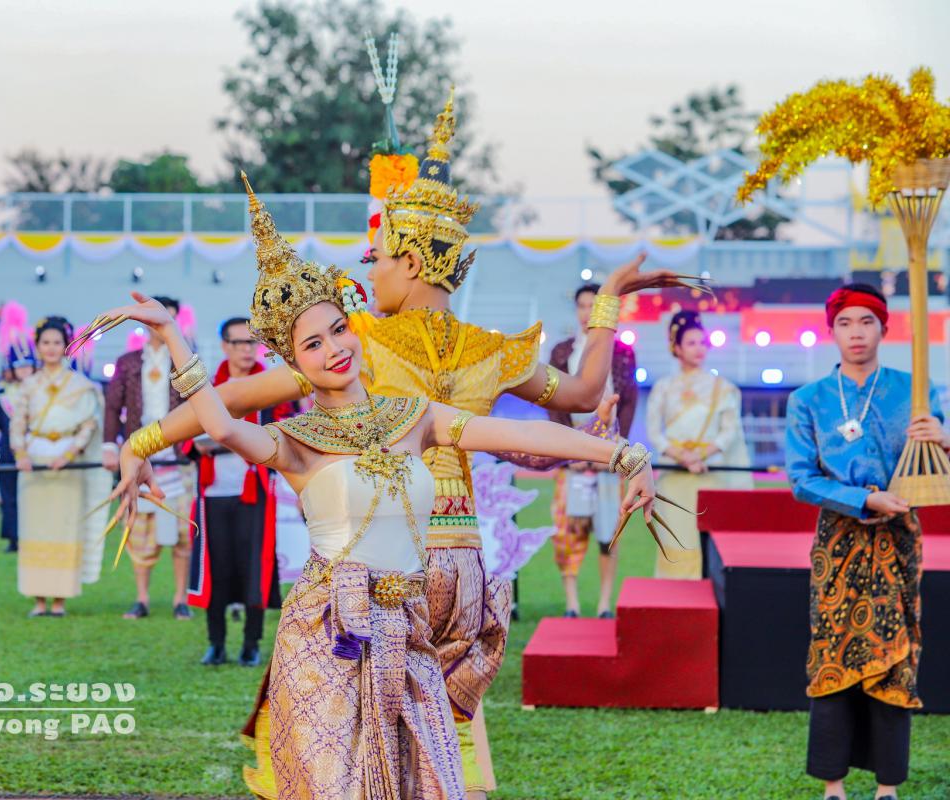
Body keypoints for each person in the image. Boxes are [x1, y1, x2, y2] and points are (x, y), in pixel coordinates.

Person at [106, 91, 687, 799]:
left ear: (409, 262)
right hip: (452, 569)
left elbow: (227, 406)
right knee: (407, 750)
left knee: (382, 755)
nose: (367, 274)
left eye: (376, 258)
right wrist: (611, 302)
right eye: (316, 341)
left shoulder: (381, 369)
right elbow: (585, 394)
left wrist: (143, 440)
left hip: (399, 581)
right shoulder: (480, 353)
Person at [786, 284, 947, 800]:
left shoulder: (918, 391)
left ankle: (887, 786)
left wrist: (944, 439)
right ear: (831, 331)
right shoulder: (807, 400)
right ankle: (833, 784)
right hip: (838, 539)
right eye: (845, 323)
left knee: (897, 651)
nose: (856, 333)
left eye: (866, 322)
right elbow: (801, 479)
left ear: (884, 328)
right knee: (832, 649)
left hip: (899, 538)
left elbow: (939, 463)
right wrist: (862, 499)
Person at [187, 316, 293, 665]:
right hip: (213, 491)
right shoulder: (206, 387)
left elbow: (283, 432)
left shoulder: (272, 387)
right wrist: (231, 440)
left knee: (253, 568)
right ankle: (215, 642)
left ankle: (251, 643)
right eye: (239, 342)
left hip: (255, 490)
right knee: (215, 569)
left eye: (252, 342)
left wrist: (226, 440)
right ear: (225, 346)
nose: (247, 349)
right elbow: (188, 436)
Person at [548, 283, 639, 617]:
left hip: (607, 456)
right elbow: (553, 403)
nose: (588, 313)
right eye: (583, 306)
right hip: (571, 454)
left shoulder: (622, 353)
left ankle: (604, 603)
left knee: (609, 531)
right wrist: (567, 451)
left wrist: (614, 451)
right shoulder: (562, 352)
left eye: (594, 307)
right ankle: (572, 603)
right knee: (566, 530)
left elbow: (628, 402)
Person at [102, 299, 196, 621]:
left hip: (178, 458)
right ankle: (141, 598)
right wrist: (109, 446)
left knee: (182, 533)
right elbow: (112, 406)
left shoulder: (185, 360)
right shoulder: (128, 362)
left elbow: (199, 402)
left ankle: (180, 599)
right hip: (139, 457)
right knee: (138, 531)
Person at [8, 316, 105, 617]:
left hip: (68, 463)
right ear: (38, 347)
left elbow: (90, 423)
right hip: (35, 461)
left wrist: (71, 453)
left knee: (66, 527)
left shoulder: (81, 385)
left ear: (66, 346)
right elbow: (18, 422)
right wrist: (20, 454)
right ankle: (39, 600)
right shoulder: (27, 385)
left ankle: (60, 600)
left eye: (57, 342)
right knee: (34, 528)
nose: (51, 348)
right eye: (46, 343)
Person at [645, 310, 752, 579]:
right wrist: (682, 457)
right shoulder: (663, 387)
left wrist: (700, 455)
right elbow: (654, 433)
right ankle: (673, 597)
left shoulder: (722, 388)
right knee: (675, 538)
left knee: (709, 541)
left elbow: (728, 432)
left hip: (710, 474)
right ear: (677, 348)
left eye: (703, 342)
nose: (699, 348)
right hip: (673, 476)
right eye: (691, 343)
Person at [0, 302, 36, 553]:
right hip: (8, 450)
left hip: (35, 450)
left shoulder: (41, 392)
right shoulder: (2, 395)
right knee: (9, 495)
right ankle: (13, 537)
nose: (24, 371)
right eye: (19, 367)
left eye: (28, 366)